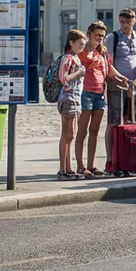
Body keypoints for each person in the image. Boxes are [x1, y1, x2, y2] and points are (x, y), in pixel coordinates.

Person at [76, 21, 128, 177]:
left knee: (94, 131)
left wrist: (121, 78)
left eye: (102, 36)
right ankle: (80, 166)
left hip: (99, 93)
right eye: (97, 35)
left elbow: (109, 70)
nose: (99, 39)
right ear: (89, 34)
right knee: (82, 131)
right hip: (85, 93)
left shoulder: (103, 52)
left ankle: (91, 166)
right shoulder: (81, 52)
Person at [104, 8, 136, 155]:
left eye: (128, 22)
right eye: (122, 22)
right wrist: (119, 78)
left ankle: (128, 156)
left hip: (134, 87)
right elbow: (108, 63)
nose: (125, 25)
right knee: (114, 122)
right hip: (116, 86)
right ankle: (111, 157)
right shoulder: (113, 38)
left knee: (130, 121)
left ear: (134, 21)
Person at [56, 30, 87, 180]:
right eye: (80, 43)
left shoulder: (75, 57)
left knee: (70, 135)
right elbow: (64, 78)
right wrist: (79, 72)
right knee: (68, 135)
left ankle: (68, 168)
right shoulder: (68, 58)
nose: (82, 46)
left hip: (74, 98)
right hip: (68, 98)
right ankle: (63, 169)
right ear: (71, 43)